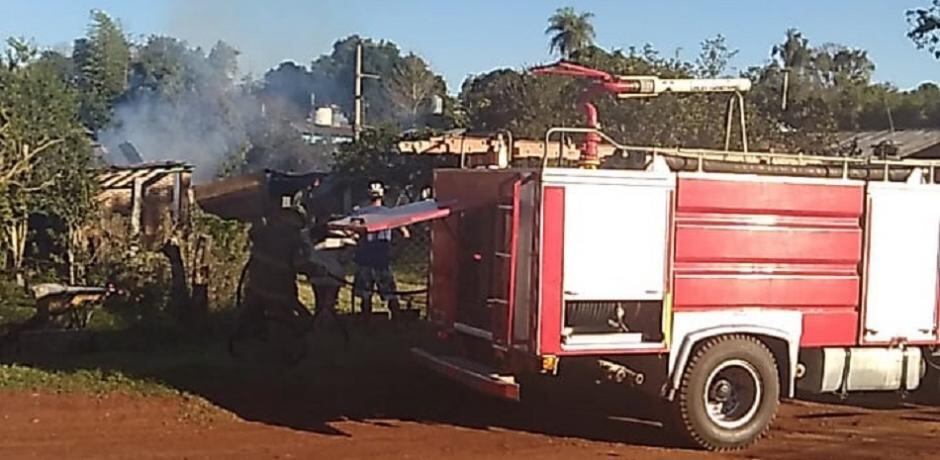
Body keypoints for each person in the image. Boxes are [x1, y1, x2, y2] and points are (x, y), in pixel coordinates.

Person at [353, 181, 409, 320]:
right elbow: (405, 234)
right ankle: (397, 320)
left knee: (366, 296)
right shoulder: (388, 213)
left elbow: (352, 234)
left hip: (365, 257)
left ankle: (366, 322)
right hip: (382, 257)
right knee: (390, 294)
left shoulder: (359, 213)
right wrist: (396, 252)